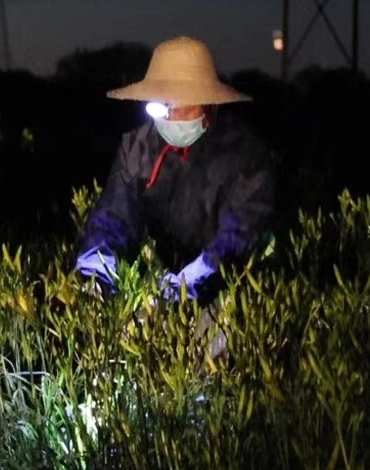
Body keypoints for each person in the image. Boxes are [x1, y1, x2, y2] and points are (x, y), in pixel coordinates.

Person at [76, 36, 276, 307]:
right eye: (163, 107)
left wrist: (185, 285)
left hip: (234, 289)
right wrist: (95, 271)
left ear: (209, 105)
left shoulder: (244, 153)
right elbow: (113, 216)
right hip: (160, 279)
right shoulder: (139, 146)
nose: (170, 118)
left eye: (181, 107)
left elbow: (240, 236)